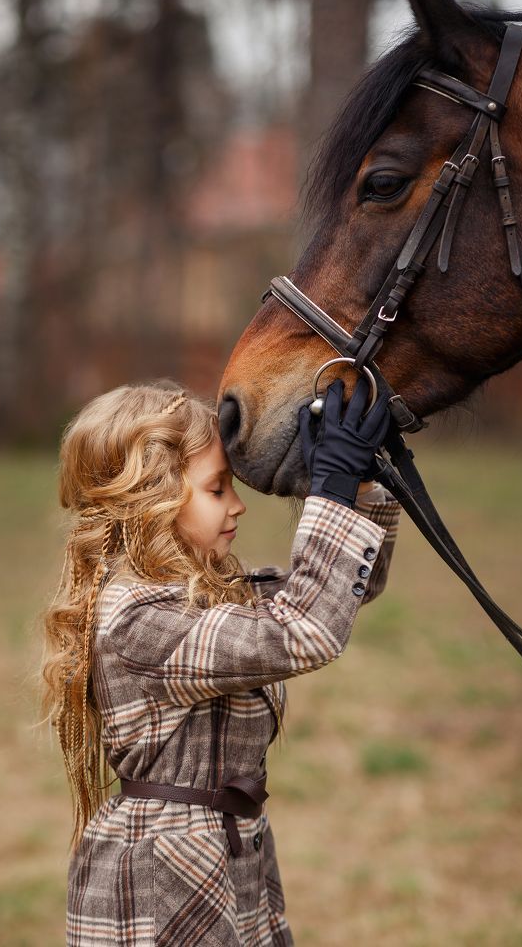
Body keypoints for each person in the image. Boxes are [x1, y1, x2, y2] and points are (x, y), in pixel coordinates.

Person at [40, 377, 400, 946]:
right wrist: (329, 495)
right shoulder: (139, 620)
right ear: (151, 501)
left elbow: (344, 591)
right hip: (165, 875)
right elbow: (303, 629)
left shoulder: (205, 594)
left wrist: (357, 482)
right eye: (216, 489)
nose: (238, 505)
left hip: (224, 850)